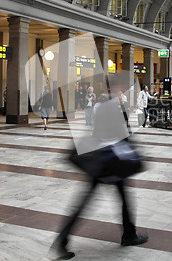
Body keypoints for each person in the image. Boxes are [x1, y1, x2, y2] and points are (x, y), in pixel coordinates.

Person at [51, 81, 148, 260]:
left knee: (90, 202)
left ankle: (62, 239)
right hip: (110, 162)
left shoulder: (103, 106)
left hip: (103, 160)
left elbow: (99, 132)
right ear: (112, 89)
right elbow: (121, 133)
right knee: (119, 200)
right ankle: (128, 235)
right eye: (119, 88)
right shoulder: (110, 107)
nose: (121, 91)